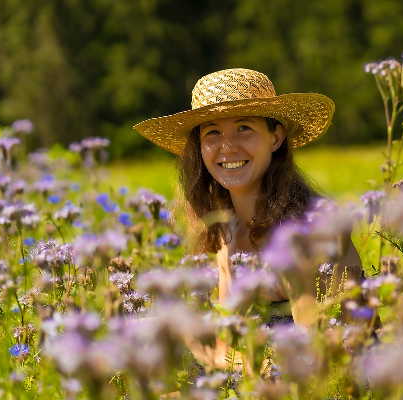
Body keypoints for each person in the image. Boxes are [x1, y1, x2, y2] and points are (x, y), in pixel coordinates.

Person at [133, 68, 363, 367]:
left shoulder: (304, 230)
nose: (228, 147)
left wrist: (217, 358)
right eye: (212, 132)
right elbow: (231, 346)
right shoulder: (221, 230)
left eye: (244, 128)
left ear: (276, 137)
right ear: (200, 148)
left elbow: (318, 354)